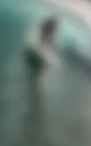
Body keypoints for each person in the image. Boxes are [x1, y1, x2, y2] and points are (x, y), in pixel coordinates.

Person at [23, 16, 59, 145]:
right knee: (37, 92)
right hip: (35, 63)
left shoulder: (50, 32)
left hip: (38, 64)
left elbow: (48, 45)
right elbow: (39, 42)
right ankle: (34, 119)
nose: (55, 30)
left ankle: (34, 118)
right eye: (54, 27)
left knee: (39, 94)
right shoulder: (44, 29)